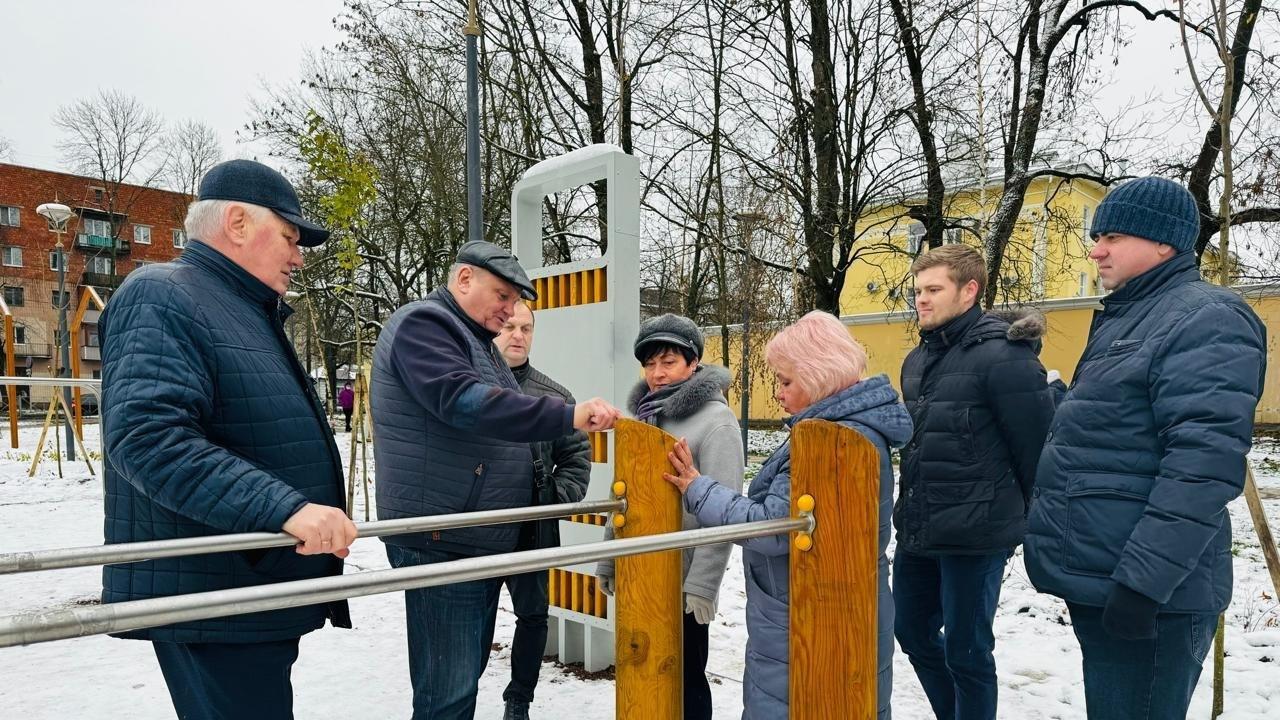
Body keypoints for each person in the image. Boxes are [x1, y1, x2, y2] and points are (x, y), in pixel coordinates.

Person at [99, 159, 357, 720]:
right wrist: (285, 508)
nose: (297, 256)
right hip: (216, 596)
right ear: (237, 223)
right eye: (289, 237)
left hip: (247, 588)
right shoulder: (164, 295)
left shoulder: (238, 306)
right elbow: (147, 439)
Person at [1025, 177, 1267, 719]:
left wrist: (1143, 584)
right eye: (1096, 235)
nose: (1096, 249)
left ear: (1164, 243)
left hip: (1153, 597)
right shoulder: (1130, 316)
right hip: (1107, 579)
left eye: (1113, 234)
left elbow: (1201, 467)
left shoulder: (1205, 318)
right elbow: (1113, 437)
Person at [370, 240, 621, 719]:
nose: (510, 313)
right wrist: (570, 415)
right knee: (447, 693)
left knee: (461, 682)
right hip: (443, 538)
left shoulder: (474, 340)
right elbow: (466, 403)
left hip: (474, 537)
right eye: (503, 296)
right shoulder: (426, 325)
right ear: (464, 279)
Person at [664, 311, 910, 720]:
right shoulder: (848, 430)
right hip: (820, 605)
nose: (777, 392)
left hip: (800, 613)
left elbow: (774, 528)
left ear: (818, 376)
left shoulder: (828, 442)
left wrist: (697, 487)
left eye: (785, 381)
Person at [893, 244, 1056, 720]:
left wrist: (1024, 524)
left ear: (969, 291)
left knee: (968, 651)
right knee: (913, 633)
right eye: (918, 290)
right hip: (921, 528)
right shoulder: (915, 361)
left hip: (977, 533)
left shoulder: (1006, 358)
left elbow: (1037, 452)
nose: (921, 300)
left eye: (933, 290)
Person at [596, 313, 745, 720]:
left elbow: (726, 509)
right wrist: (611, 557)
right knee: (643, 668)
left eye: (669, 362)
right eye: (650, 363)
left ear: (693, 362)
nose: (657, 374)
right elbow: (625, 492)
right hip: (642, 570)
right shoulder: (647, 414)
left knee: (686, 680)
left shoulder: (717, 422)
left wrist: (703, 585)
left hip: (683, 582)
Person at [492, 301, 592, 720]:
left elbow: (577, 458)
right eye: (510, 326)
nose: (518, 335)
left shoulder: (555, 397)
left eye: (526, 328)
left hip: (535, 528)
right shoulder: (469, 387)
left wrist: (553, 498)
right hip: (479, 528)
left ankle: (519, 702)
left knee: (533, 616)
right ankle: (461, 689)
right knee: (473, 617)